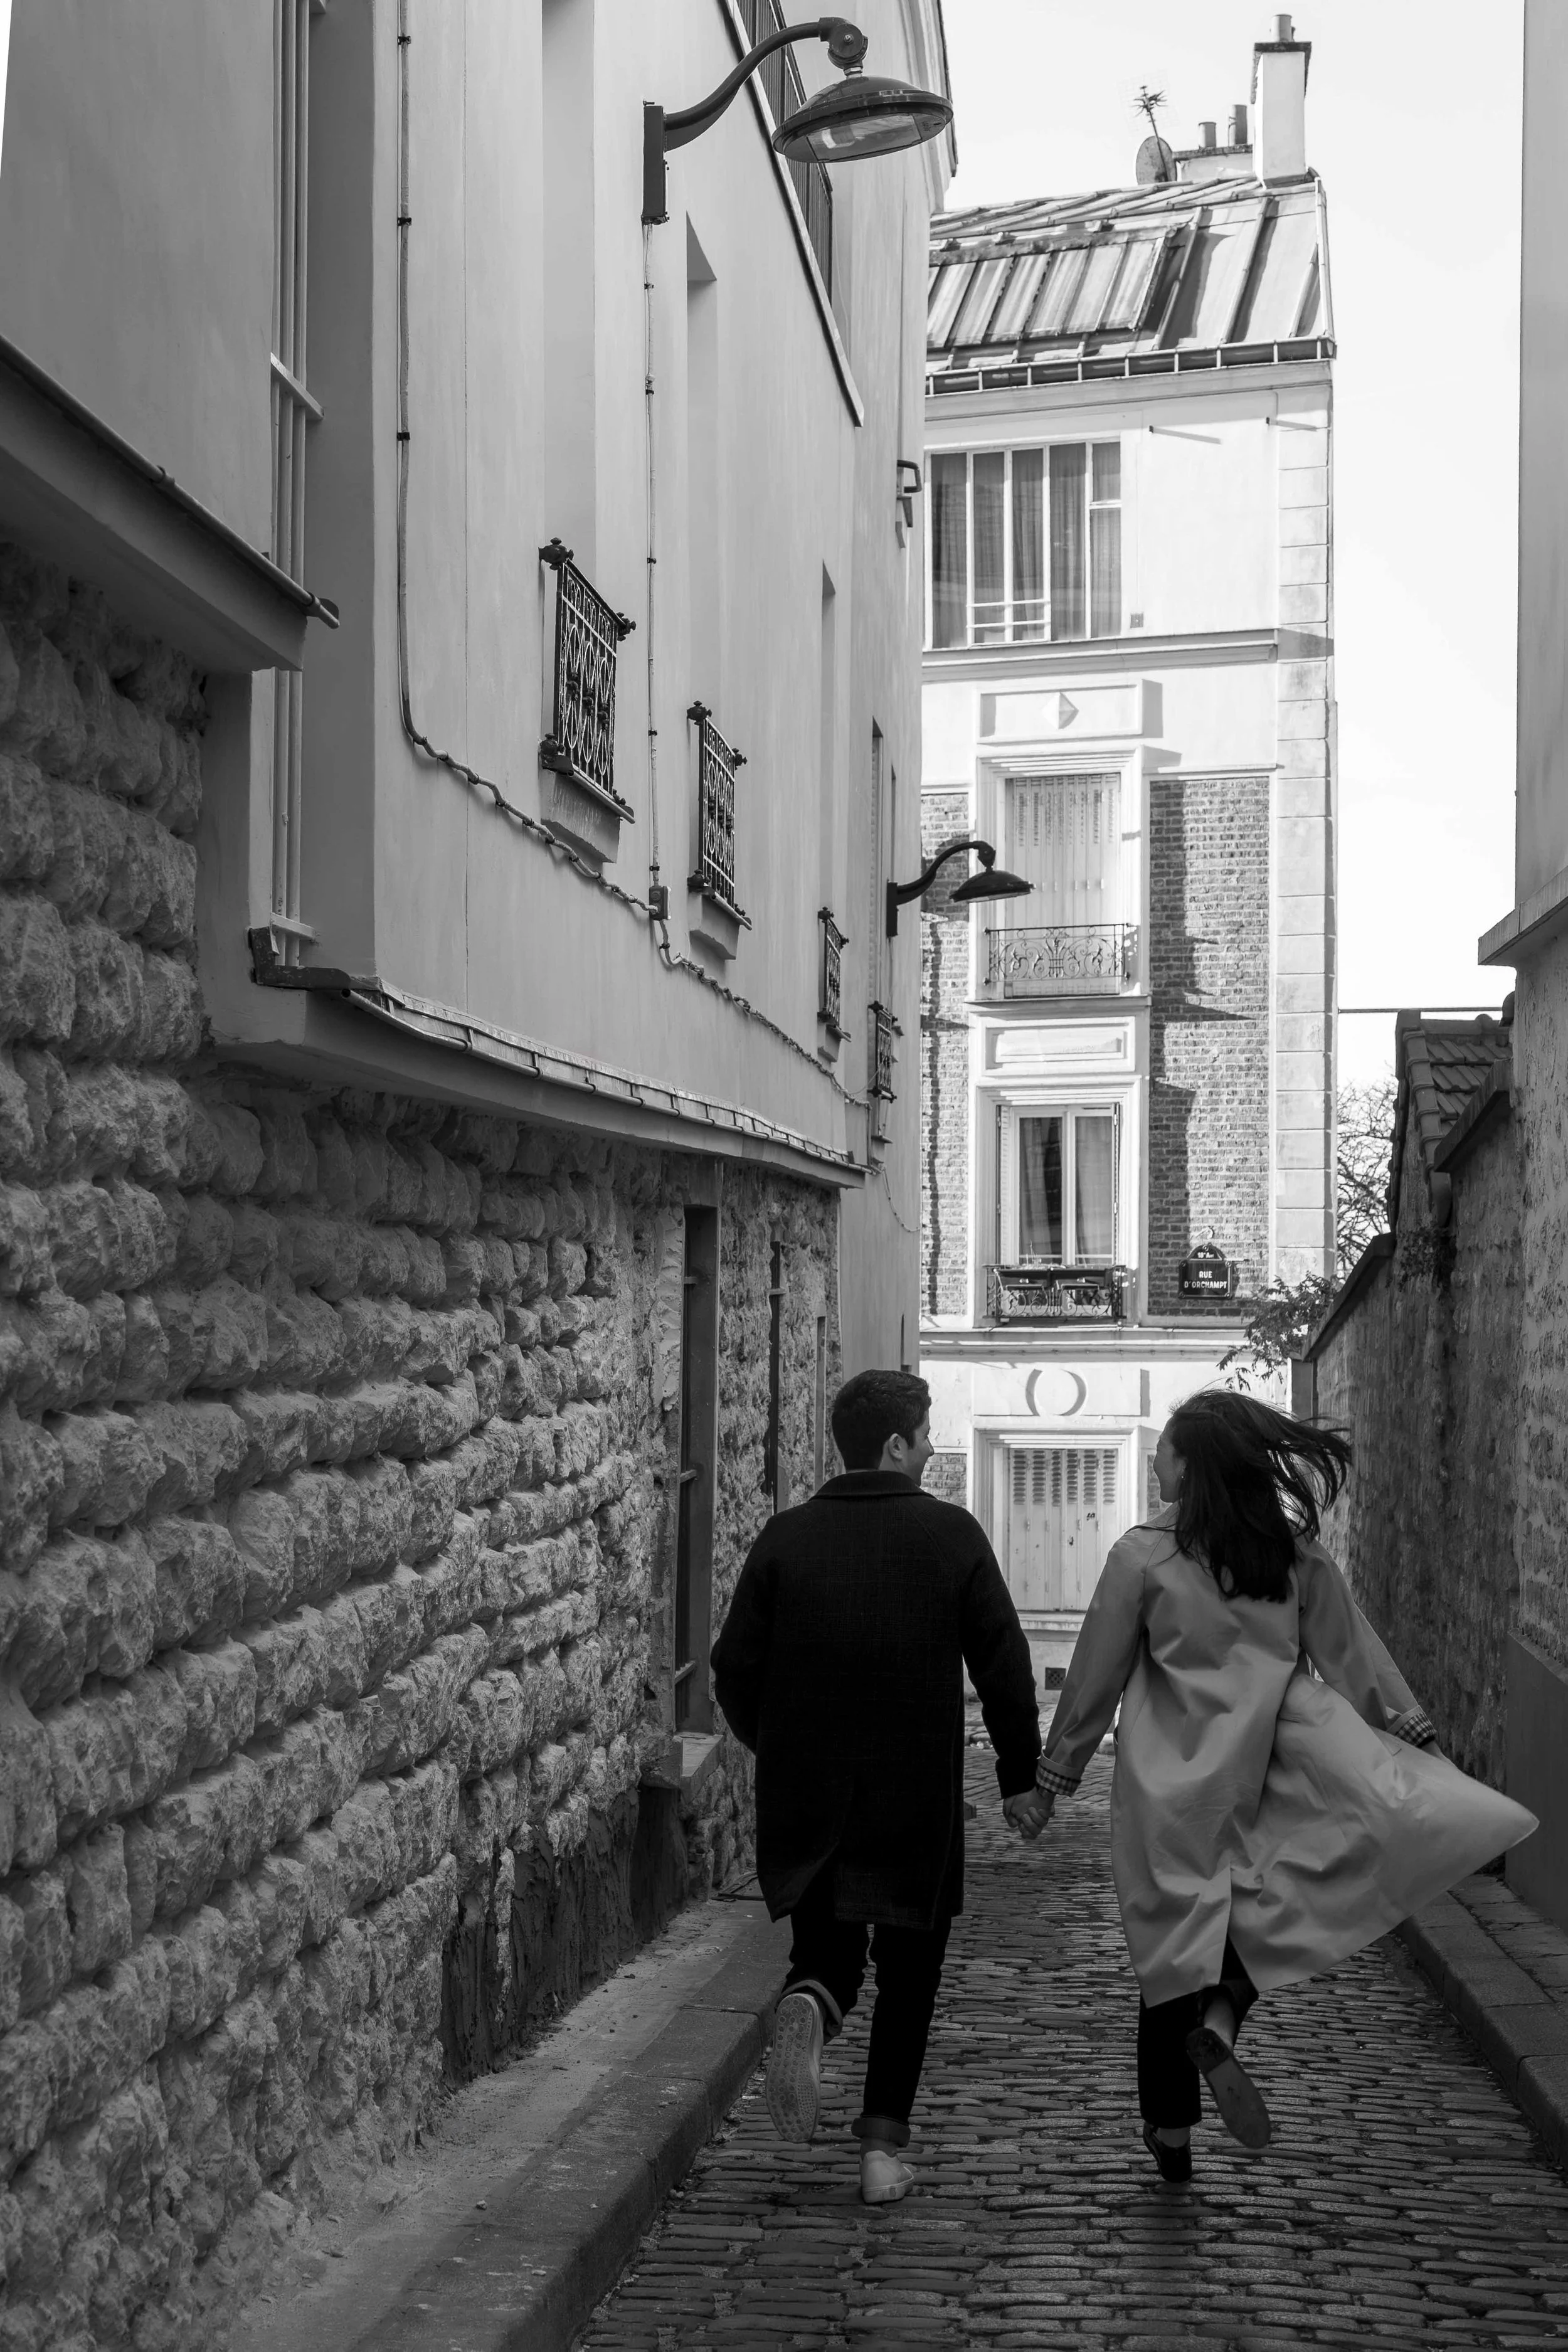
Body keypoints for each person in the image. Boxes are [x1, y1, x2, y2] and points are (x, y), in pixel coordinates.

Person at [1025, 1390, 1536, 2185]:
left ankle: (1170, 2128)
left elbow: (1094, 1676)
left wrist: (1052, 1779)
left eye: (1164, 1447)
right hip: (1279, 1764)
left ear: (1190, 1464)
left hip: (1175, 1782)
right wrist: (1413, 1736)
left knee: (1170, 1949)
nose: (1156, 1458)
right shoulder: (1291, 1553)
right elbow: (1352, 1654)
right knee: (1274, 1906)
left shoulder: (1140, 1558)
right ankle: (1225, 2016)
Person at [711, 1368, 1047, 2206]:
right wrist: (1018, 1777)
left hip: (807, 1789)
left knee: (827, 1950)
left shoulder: (785, 1539)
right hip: (914, 1791)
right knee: (911, 1968)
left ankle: (811, 2006)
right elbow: (1005, 1663)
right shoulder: (950, 1534)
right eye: (928, 1432)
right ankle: (881, 2151)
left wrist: (776, 1744)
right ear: (896, 1444)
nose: (934, 1446)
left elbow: (731, 1668)